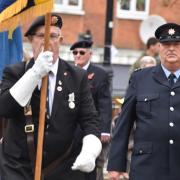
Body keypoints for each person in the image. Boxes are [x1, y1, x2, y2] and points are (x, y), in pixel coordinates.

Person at [0, 13, 102, 180]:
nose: (48, 41)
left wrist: (90, 149)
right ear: (31, 40)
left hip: (61, 167)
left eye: (53, 36)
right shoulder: (16, 72)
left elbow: (90, 119)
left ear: (61, 41)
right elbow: (5, 108)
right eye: (41, 36)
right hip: (19, 168)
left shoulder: (76, 77)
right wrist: (34, 74)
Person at [107, 22, 180, 180]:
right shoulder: (140, 78)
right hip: (147, 166)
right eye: (167, 44)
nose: (172, 48)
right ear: (159, 47)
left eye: (176, 44)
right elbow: (124, 122)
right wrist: (115, 165)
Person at [70, 39, 112, 180]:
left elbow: (104, 104)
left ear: (90, 54)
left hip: (90, 129)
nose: (78, 55)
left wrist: (105, 129)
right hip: (69, 128)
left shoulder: (99, 74)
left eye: (82, 52)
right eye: (75, 52)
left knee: (89, 168)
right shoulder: (67, 72)